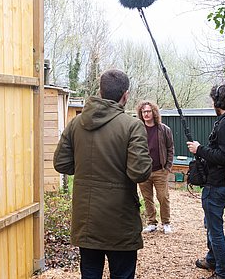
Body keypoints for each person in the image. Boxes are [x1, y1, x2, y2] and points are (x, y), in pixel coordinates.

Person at [53, 69, 152, 279]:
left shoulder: (76, 124)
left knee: (89, 273)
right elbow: (139, 172)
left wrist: (84, 168)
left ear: (100, 91)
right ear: (125, 95)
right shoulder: (132, 127)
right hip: (120, 220)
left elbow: (61, 163)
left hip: (86, 219)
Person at [186, 84, 225, 279]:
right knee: (210, 223)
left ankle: (222, 272)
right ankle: (211, 259)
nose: (213, 103)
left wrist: (200, 150)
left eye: (213, 100)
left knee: (215, 229)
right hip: (221, 181)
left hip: (218, 183)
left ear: (218, 102)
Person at [136, 101, 174, 234]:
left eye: (148, 111)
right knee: (147, 198)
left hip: (160, 170)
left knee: (163, 197)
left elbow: (170, 148)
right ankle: (152, 222)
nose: (146, 114)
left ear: (154, 112)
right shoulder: (138, 129)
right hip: (143, 171)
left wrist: (168, 167)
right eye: (143, 111)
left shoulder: (164, 129)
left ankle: (166, 223)